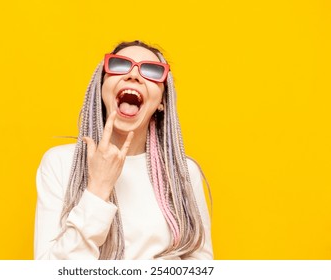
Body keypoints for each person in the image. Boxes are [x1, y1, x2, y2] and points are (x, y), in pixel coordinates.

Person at [34, 40, 213, 260]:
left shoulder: (183, 172)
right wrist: (98, 188)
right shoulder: (60, 163)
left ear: (161, 102)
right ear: (101, 88)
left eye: (152, 71)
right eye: (119, 65)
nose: (134, 75)